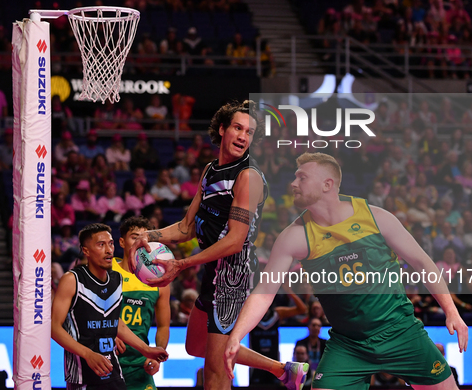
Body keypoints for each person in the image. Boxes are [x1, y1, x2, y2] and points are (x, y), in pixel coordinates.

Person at [224, 152, 468, 390]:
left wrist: (451, 311)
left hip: (400, 331)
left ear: (327, 184)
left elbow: (422, 263)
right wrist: (236, 336)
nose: (293, 183)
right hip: (348, 344)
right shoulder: (294, 236)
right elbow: (266, 291)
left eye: (302, 177)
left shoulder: (376, 218)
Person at [128, 100, 308, 390]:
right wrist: (148, 236)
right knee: (196, 345)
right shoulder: (211, 171)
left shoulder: (247, 176)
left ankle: (280, 371)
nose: (242, 136)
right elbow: (186, 227)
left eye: (249, 132)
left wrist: (182, 264)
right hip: (213, 270)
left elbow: (235, 241)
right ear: (222, 129)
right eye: (237, 128)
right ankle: (282, 369)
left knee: (215, 371)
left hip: (234, 277)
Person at [51, 223, 168, 389]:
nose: (108, 250)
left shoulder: (116, 280)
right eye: (101, 244)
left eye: (111, 244)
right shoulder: (72, 280)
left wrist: (145, 349)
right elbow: (54, 328)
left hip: (112, 370)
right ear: (86, 251)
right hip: (82, 373)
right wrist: (88, 354)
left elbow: (116, 322)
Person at [113, 217, 171, 390]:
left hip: (140, 364)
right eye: (134, 237)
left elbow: (163, 327)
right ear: (122, 242)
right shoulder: (107, 271)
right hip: (106, 361)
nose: (140, 242)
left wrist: (156, 354)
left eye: (145, 238)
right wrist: (108, 331)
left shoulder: (159, 280)